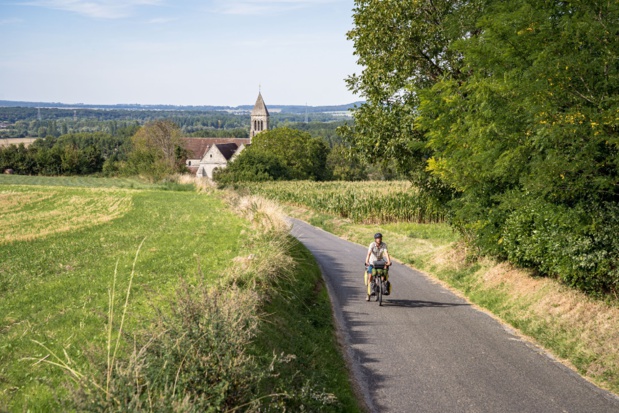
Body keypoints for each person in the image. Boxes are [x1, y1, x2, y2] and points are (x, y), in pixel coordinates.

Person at [365, 232, 392, 301]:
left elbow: (386, 253)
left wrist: (388, 262)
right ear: (375, 239)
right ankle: (368, 294)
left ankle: (384, 286)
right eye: (377, 238)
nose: (379, 239)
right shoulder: (372, 245)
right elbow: (369, 254)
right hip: (372, 262)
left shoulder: (383, 245)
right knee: (370, 277)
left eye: (380, 238)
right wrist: (367, 262)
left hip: (380, 261)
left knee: (384, 274)